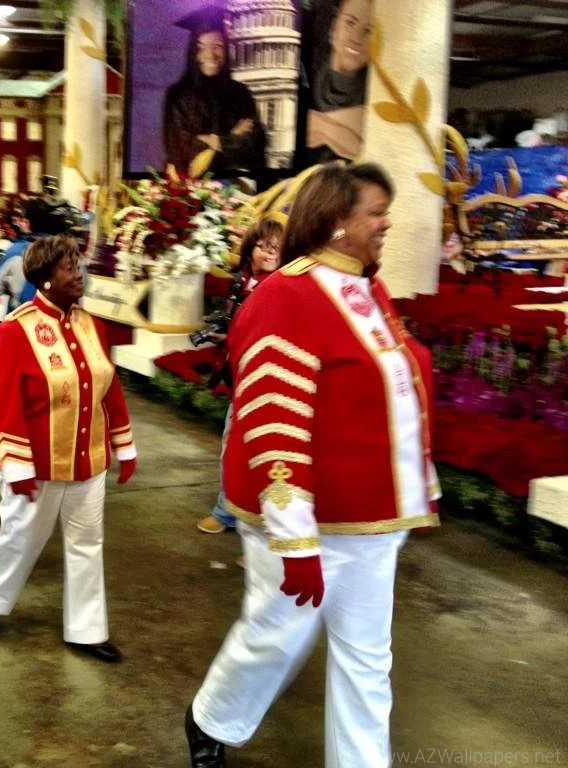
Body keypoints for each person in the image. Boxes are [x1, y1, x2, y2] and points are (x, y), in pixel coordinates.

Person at [184, 163, 441, 768]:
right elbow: (275, 421)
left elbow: (397, 387)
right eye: (374, 210)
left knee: (367, 657)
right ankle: (211, 719)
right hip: (304, 519)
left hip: (373, 517)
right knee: (277, 635)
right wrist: (294, 538)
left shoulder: (368, 289)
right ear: (334, 221)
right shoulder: (288, 295)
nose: (386, 222)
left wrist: (414, 481)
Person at [0, 235, 138, 663]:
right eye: (68, 267)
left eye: (78, 265)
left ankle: (86, 630)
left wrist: (124, 443)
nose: (78, 274)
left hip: (90, 458)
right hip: (38, 464)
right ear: (44, 278)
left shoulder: (90, 324)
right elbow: (3, 406)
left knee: (88, 541)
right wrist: (17, 466)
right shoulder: (13, 332)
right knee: (22, 538)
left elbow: (108, 385)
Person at [197, 216, 284, 535]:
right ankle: (228, 512)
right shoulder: (241, 281)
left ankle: (263, 527)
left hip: (271, 383)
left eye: (276, 247)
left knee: (267, 456)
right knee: (232, 448)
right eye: (263, 246)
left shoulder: (282, 287)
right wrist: (224, 335)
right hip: (241, 380)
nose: (269, 253)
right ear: (250, 250)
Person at [164, 4, 266, 176]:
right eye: (202, 46)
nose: (210, 55)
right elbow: (181, 153)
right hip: (189, 191)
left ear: (226, 50)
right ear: (193, 53)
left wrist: (212, 142)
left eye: (217, 45)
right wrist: (232, 137)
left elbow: (255, 145)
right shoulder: (177, 95)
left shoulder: (241, 93)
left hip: (236, 187)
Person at [306, 0, 372, 163]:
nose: (356, 39)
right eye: (350, 23)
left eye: (369, 31)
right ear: (334, 26)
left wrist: (321, 126)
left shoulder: (376, 97)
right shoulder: (305, 80)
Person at [0, 218, 36, 312]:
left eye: (25, 221)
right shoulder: (57, 250)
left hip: (19, 304)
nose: (19, 223)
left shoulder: (18, 248)